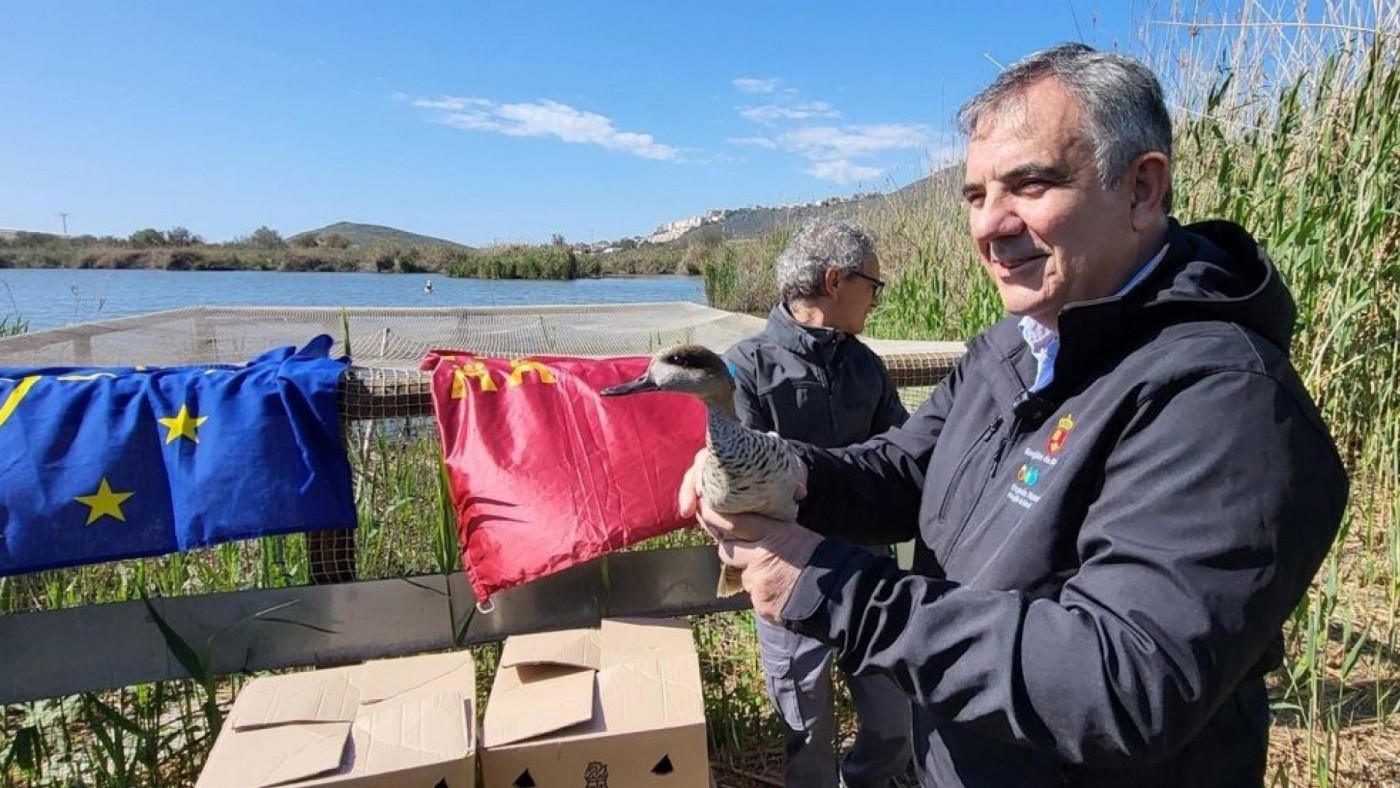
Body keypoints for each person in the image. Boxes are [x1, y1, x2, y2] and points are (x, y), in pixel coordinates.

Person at [686, 43, 1349, 787]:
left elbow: (1122, 681)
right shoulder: (1016, 346)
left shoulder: (1223, 398)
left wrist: (830, 590)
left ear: (1142, 189)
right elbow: (906, 468)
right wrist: (775, 471)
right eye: (975, 195)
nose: (992, 226)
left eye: (1031, 185)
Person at [722, 218, 913, 788]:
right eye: (872, 286)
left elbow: (900, 460)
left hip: (869, 578)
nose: (876, 299)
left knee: (894, 724)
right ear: (836, 281)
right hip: (789, 579)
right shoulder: (745, 367)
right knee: (805, 736)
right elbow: (738, 482)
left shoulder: (867, 366)